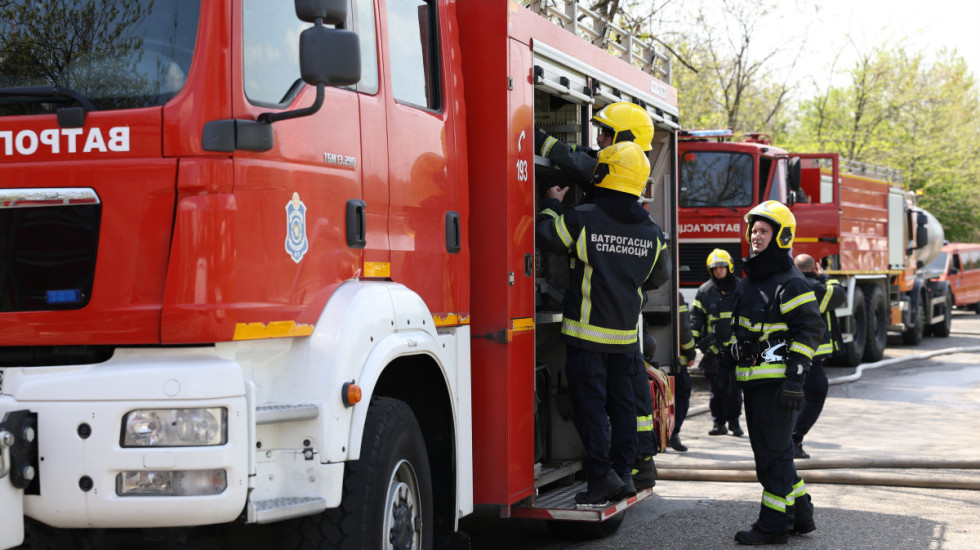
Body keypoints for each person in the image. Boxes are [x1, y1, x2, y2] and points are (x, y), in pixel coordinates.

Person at [537, 101, 668, 492]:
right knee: (623, 408)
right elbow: (656, 278)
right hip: (625, 339)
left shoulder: (586, 219)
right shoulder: (651, 233)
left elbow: (548, 237)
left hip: (586, 338)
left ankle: (601, 476)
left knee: (591, 409)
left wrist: (551, 205)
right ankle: (624, 472)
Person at [717, 200, 824, 544]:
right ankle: (801, 514)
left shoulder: (790, 283)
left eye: (764, 230)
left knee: (771, 457)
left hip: (779, 386)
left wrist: (795, 379)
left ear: (781, 237)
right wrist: (728, 358)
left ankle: (773, 525)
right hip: (754, 383)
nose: (756, 236)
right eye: (754, 230)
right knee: (775, 453)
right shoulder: (750, 282)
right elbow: (748, 333)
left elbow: (809, 332)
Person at [792, 253, 845, 459]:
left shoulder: (790, 284)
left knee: (795, 398)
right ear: (814, 267)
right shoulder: (815, 286)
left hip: (795, 353)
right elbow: (838, 293)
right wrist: (825, 275)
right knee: (815, 394)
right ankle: (793, 439)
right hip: (809, 356)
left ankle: (788, 440)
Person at [691, 249, 744, 437]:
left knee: (733, 390)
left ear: (729, 267)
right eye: (715, 268)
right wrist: (693, 341)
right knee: (715, 390)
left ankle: (734, 422)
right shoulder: (704, 291)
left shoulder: (741, 288)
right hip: (713, 350)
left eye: (722, 267)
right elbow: (696, 318)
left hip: (734, 349)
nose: (719, 271)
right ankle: (718, 423)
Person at [668, 293, 697, 452]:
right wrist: (691, 353)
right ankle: (672, 433)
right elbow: (683, 329)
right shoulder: (674, 294)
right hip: (673, 360)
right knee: (682, 390)